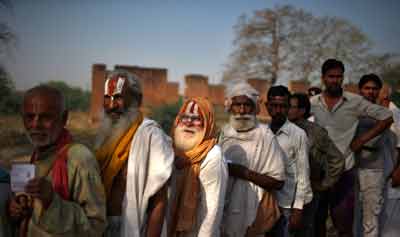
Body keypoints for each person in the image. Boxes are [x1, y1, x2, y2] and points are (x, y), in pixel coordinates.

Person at [7, 85, 106, 236]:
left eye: (45, 117)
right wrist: (17, 209)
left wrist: (52, 201)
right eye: (29, 117)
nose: (35, 125)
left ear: (64, 118)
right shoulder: (38, 154)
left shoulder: (79, 159)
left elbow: (96, 227)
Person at [310, 59, 393, 237]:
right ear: (323, 78)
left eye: (339, 76)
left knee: (344, 225)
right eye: (331, 76)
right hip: (318, 172)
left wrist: (362, 139)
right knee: (317, 223)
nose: (335, 80)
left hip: (344, 173)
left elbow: (386, 117)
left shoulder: (355, 101)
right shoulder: (313, 103)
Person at [95, 69, 174, 237]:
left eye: (118, 98)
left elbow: (159, 201)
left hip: (133, 228)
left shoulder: (151, 136)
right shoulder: (106, 136)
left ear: (137, 100)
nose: (111, 106)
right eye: (107, 98)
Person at [219, 82, 286, 237]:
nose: (242, 110)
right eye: (237, 105)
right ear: (230, 107)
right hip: (225, 210)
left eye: (247, 105)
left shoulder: (265, 135)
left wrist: (242, 172)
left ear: (254, 107)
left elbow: (278, 182)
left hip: (254, 210)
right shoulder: (224, 133)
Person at [169, 97, 228, 236]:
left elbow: (212, 212)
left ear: (207, 123)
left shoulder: (213, 156)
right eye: (185, 117)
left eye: (196, 118)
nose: (189, 122)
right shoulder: (175, 151)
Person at [288, 92, 345, 237]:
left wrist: (324, 184)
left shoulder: (315, 131)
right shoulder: (282, 128)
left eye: (291, 106)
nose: (286, 109)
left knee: (306, 229)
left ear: (302, 110)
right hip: (286, 190)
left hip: (309, 191)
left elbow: (337, 159)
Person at [266, 86, 313, 237]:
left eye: (283, 106)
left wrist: (298, 208)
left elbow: (303, 173)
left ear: (288, 108)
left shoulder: (298, 134)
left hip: (286, 205)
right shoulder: (262, 132)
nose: (278, 110)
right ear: (267, 106)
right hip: (263, 204)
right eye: (274, 106)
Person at [353, 74, 394, 237]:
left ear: (379, 91)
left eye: (374, 88)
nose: (370, 91)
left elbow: (373, 142)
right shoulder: (352, 110)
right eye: (367, 88)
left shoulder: (383, 113)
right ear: (360, 90)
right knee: (352, 215)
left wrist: (360, 140)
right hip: (351, 166)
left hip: (373, 169)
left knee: (371, 217)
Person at [377, 85, 400, 237]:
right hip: (375, 174)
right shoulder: (372, 113)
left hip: (393, 175)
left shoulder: (396, 114)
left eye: (375, 90)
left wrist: (398, 172)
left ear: (384, 95)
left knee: (390, 227)